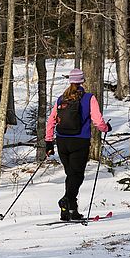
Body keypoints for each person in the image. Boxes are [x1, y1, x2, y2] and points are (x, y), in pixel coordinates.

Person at [45, 68, 111, 221]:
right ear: (82, 81)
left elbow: (51, 121)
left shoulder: (61, 99)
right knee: (77, 176)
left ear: (70, 81)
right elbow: (97, 121)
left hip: (62, 141)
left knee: (71, 176)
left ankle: (69, 211)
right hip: (79, 141)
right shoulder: (89, 98)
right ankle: (66, 200)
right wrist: (105, 128)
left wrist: (49, 142)